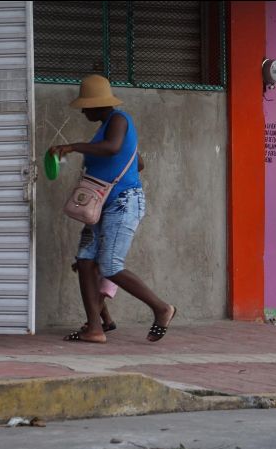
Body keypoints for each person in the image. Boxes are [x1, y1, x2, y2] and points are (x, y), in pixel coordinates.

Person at [50, 74, 176, 343]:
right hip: (103, 204)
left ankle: (162, 308)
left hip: (122, 203)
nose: (83, 111)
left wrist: (72, 147)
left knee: (109, 265)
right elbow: (137, 162)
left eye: (86, 106)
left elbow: (112, 148)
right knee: (85, 262)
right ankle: (95, 328)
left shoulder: (119, 120)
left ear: (97, 105)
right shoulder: (107, 126)